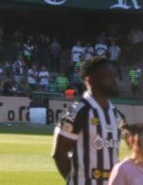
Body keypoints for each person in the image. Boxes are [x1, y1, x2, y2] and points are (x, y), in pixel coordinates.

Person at [53, 56, 127, 184]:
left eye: (114, 75)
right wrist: (75, 180)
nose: (114, 80)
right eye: (108, 76)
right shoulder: (77, 111)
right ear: (90, 80)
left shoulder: (118, 115)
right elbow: (59, 153)